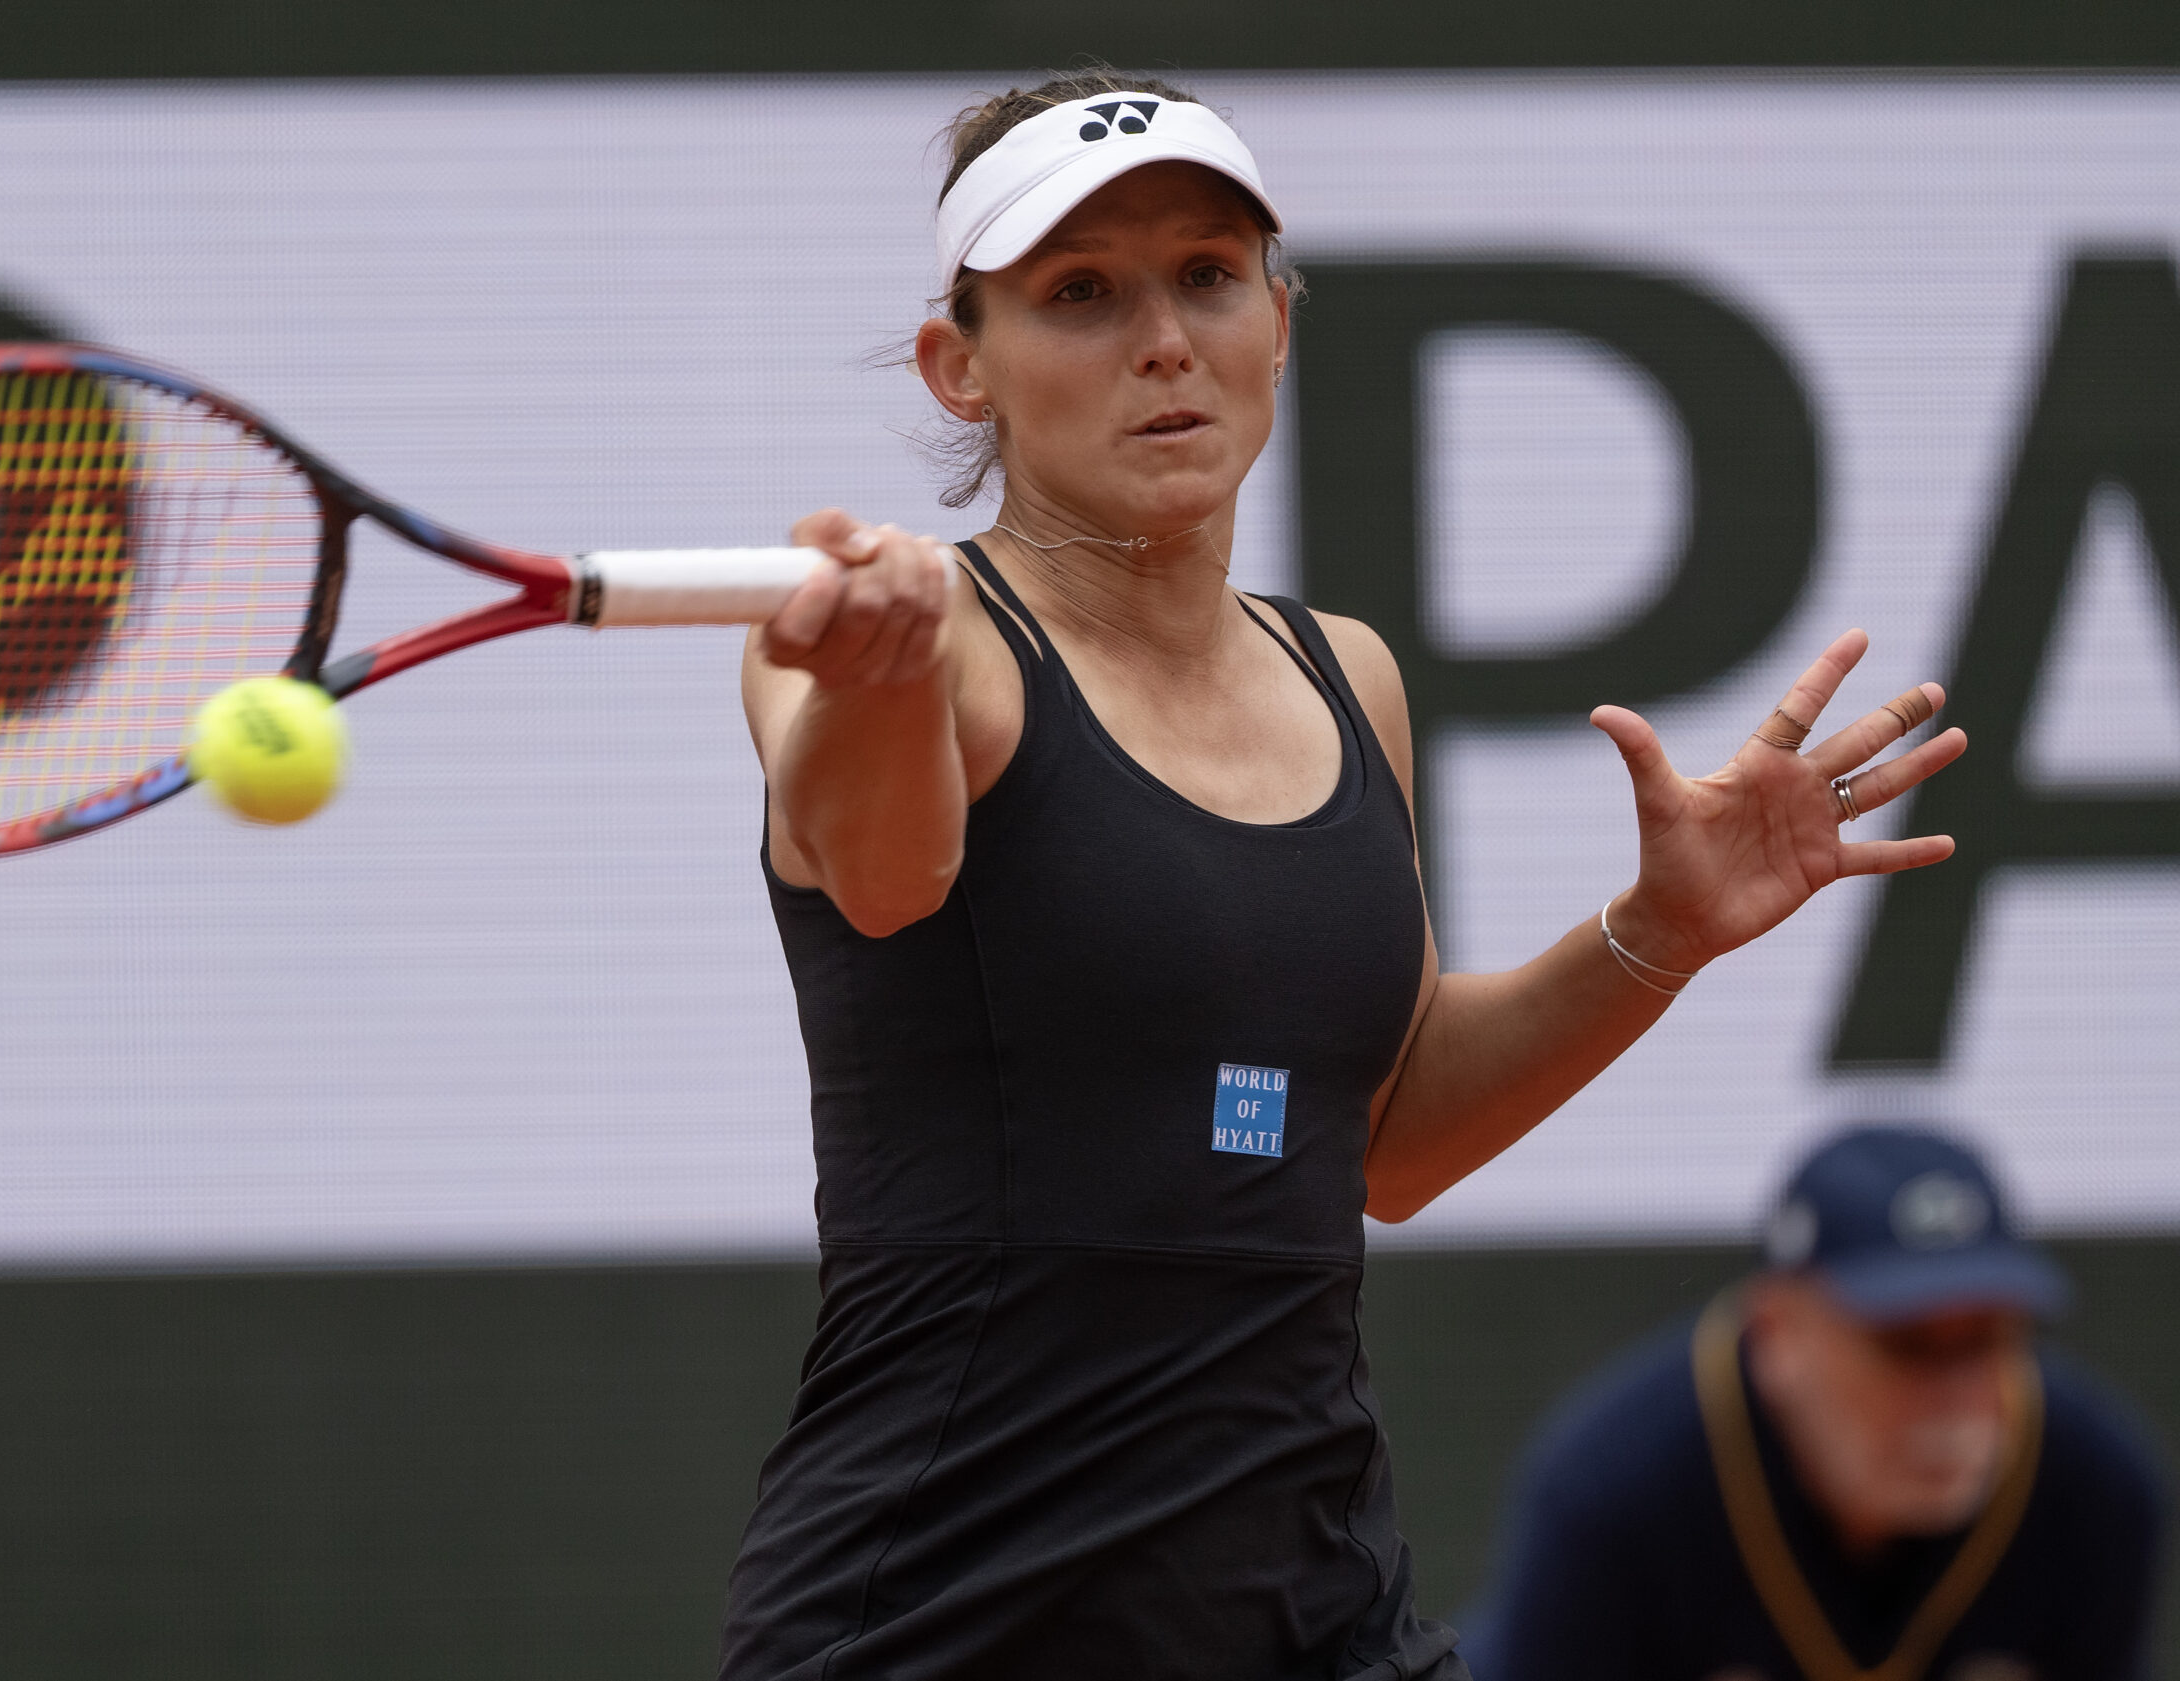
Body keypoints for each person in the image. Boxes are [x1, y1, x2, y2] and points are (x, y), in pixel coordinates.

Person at [721, 70, 1968, 1681]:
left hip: (1319, 1618)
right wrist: (880, 680)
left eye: (1207, 276)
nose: (1164, 341)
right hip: (948, 1622)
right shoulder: (889, 643)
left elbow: (1390, 1143)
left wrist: (1659, 932)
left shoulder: (1349, 676)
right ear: (961, 367)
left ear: (1280, 322)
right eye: (1081, 293)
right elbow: (883, 878)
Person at [1467, 1126, 2164, 1681]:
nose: (1957, 1395)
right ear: (1777, 1333)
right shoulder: (1618, 1491)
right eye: (1907, 1342)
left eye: (1985, 1337)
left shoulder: (2095, 1491)